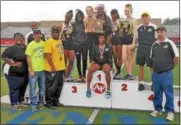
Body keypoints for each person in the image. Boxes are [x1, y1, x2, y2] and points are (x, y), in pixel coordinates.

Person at [150, 26, 179, 121]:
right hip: (156, 74)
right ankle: (158, 109)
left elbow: (176, 58)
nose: (159, 33)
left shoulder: (170, 43)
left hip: (166, 74)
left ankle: (170, 112)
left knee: (168, 93)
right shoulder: (154, 45)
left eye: (161, 31)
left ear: (165, 33)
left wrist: (170, 68)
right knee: (157, 93)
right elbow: (152, 59)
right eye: (157, 32)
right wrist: (153, 72)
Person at [2, 33, 28, 110]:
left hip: (24, 73)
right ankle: (14, 104)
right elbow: (4, 56)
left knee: (22, 88)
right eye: (17, 38)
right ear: (14, 39)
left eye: (21, 37)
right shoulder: (11, 48)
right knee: (14, 88)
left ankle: (20, 101)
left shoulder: (25, 48)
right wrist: (13, 64)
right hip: (12, 72)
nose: (19, 39)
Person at [44, 26, 66, 109]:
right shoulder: (48, 42)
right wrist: (52, 66)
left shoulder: (59, 40)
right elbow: (47, 55)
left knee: (59, 86)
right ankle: (49, 102)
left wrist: (63, 67)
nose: (56, 33)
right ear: (51, 33)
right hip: (52, 69)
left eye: (57, 32)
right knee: (51, 87)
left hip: (60, 68)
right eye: (54, 32)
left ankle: (55, 101)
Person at [86, 34, 112, 99]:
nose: (101, 39)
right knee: (90, 70)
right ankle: (88, 89)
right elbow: (92, 58)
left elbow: (110, 58)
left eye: (102, 38)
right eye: (100, 38)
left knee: (107, 70)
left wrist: (110, 66)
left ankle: (108, 89)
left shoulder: (108, 47)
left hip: (105, 63)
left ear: (104, 39)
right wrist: (91, 65)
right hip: (97, 63)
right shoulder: (95, 47)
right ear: (98, 39)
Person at [25, 29, 45, 112]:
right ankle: (33, 104)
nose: (37, 35)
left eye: (38, 34)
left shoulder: (44, 44)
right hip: (34, 71)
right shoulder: (30, 45)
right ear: (33, 35)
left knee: (42, 89)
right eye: (35, 34)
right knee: (32, 89)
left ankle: (41, 103)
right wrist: (31, 70)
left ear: (40, 35)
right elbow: (28, 58)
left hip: (42, 70)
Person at [136, 12, 157, 91]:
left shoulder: (154, 27)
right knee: (141, 66)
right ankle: (141, 83)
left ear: (149, 17)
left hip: (150, 48)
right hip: (141, 47)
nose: (145, 18)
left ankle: (153, 84)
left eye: (146, 16)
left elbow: (156, 39)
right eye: (143, 17)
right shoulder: (139, 27)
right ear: (141, 18)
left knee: (151, 67)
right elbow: (137, 38)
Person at [121, 3, 137, 80]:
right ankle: (129, 73)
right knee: (124, 58)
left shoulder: (134, 20)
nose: (126, 12)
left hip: (131, 41)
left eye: (128, 11)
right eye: (125, 11)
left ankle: (129, 74)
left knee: (130, 57)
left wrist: (134, 43)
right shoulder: (123, 20)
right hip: (124, 41)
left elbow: (135, 32)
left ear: (131, 11)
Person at [72, 9, 88, 82]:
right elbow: (72, 34)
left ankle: (84, 75)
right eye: (78, 15)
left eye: (80, 15)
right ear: (76, 16)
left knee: (84, 60)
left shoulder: (85, 23)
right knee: (78, 61)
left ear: (82, 16)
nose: (79, 17)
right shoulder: (74, 24)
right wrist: (75, 42)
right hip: (77, 45)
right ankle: (79, 75)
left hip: (84, 44)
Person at [60, 10, 75, 81]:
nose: (68, 18)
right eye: (67, 16)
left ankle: (68, 75)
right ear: (65, 16)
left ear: (71, 18)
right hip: (64, 44)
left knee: (71, 60)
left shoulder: (72, 25)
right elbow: (58, 36)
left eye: (69, 17)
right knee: (64, 61)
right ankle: (64, 76)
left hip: (71, 44)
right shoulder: (61, 25)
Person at [110, 9, 123, 79]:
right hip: (113, 39)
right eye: (112, 14)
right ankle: (117, 70)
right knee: (114, 55)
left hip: (119, 38)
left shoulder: (120, 21)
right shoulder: (110, 21)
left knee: (119, 55)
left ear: (116, 14)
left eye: (114, 14)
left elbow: (123, 30)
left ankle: (120, 71)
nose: (113, 15)